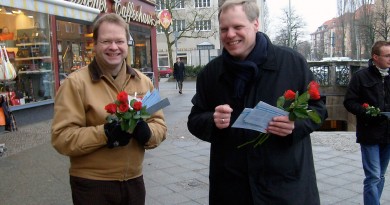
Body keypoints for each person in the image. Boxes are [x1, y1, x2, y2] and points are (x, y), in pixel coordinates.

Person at [187, 0, 328, 204]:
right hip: (232, 188)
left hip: (285, 187)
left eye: (237, 27)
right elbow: (194, 119)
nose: (230, 35)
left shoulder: (291, 62)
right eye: (224, 29)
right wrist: (212, 120)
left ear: (255, 24)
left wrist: (294, 125)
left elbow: (319, 109)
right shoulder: (211, 73)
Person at [51, 13, 167, 205]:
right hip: (92, 185)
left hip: (134, 182)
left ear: (127, 44)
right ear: (95, 44)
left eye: (119, 41)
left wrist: (147, 133)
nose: (114, 47)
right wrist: (105, 133)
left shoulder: (145, 82)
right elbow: (61, 137)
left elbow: (160, 125)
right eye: (106, 41)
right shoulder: (74, 84)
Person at [344, 41, 390, 205]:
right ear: (375, 57)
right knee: (373, 175)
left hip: (388, 134)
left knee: (381, 175)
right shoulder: (361, 76)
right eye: (387, 56)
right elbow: (349, 102)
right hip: (369, 132)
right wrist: (367, 113)